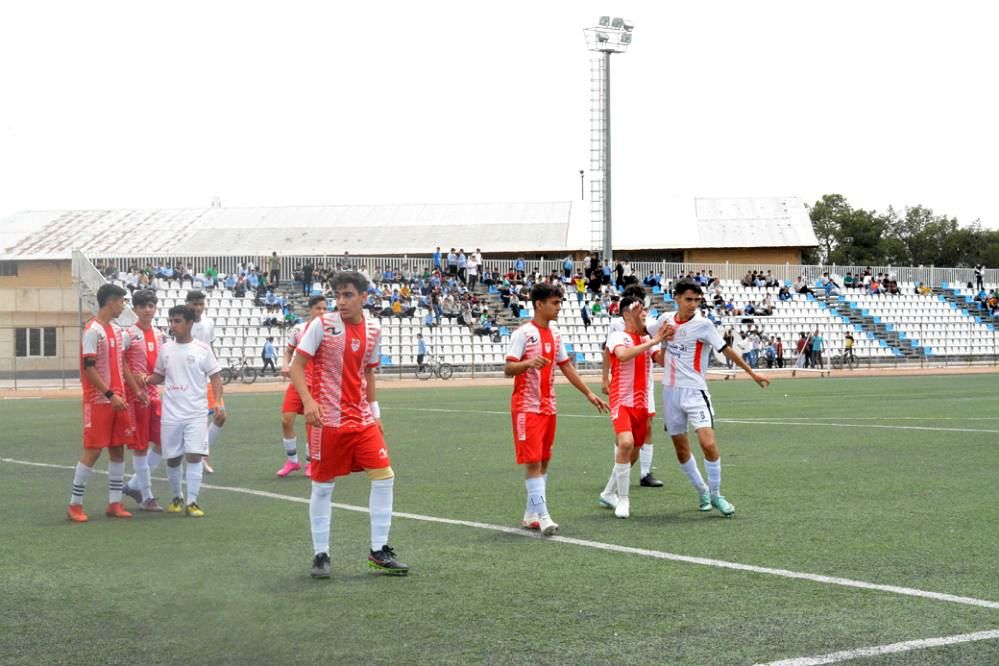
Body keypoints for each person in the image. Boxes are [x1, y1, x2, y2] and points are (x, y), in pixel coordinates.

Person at [289, 271, 409, 579]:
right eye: (338, 296)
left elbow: (368, 373)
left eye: (348, 295)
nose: (341, 302)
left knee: (384, 476)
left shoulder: (373, 329)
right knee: (323, 486)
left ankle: (379, 551)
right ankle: (321, 554)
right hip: (327, 421)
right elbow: (296, 366)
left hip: (362, 419)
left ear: (364, 297)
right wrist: (309, 402)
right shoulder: (323, 325)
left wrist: (375, 412)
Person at [658, 279, 770, 517]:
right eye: (688, 299)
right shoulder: (664, 320)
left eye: (697, 300)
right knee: (680, 448)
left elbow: (726, 349)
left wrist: (751, 373)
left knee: (708, 443)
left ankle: (717, 493)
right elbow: (645, 335)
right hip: (670, 391)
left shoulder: (704, 325)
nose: (693, 304)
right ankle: (702, 491)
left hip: (695, 392)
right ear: (676, 297)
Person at [504, 283, 609, 536]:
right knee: (532, 463)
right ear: (539, 304)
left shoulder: (556, 335)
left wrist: (589, 393)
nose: (559, 307)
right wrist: (529, 363)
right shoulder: (523, 334)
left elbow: (567, 367)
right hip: (526, 408)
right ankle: (544, 516)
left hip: (549, 407)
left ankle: (531, 515)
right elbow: (508, 369)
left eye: (560, 303)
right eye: (554, 303)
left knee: (545, 461)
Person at [67, 283, 140, 522]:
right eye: (122, 301)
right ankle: (75, 505)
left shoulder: (118, 331)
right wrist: (110, 394)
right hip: (99, 401)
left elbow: (123, 364)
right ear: (111, 301)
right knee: (93, 450)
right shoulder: (92, 330)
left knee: (118, 449)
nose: (123, 305)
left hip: (118, 399)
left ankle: (114, 503)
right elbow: (89, 368)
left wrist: (136, 390)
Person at [144, 305, 224, 517]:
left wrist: (217, 401)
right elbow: (159, 376)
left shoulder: (202, 349)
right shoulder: (166, 349)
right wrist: (143, 379)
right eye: (171, 321)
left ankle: (192, 502)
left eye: (177, 321)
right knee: (173, 458)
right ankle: (177, 496)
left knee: (195, 455)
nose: (173, 325)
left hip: (196, 412)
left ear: (189, 323)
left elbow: (215, 377)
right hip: (171, 413)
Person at [598, 296, 671, 519]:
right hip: (621, 400)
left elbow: (663, 360)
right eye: (637, 310)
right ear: (626, 315)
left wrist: (667, 341)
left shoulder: (649, 339)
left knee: (633, 451)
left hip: (641, 403)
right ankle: (623, 499)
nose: (643, 313)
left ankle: (608, 493)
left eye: (644, 310)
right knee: (626, 443)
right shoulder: (618, 336)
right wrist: (652, 340)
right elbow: (622, 355)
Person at [601, 285, 662, 489]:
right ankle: (619, 470)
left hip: (645, 384)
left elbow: (659, 354)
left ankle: (644, 472)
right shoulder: (617, 327)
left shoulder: (647, 328)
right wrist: (605, 378)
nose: (642, 312)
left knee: (646, 429)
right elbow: (610, 352)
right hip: (623, 385)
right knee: (624, 437)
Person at [120, 289, 166, 512]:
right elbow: (121, 362)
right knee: (139, 446)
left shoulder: (158, 334)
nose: (148, 310)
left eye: (151, 305)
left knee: (163, 441)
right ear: (135, 309)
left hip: (154, 393)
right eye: (143, 306)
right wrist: (135, 387)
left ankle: (132, 485)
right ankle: (147, 496)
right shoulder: (129, 333)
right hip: (135, 397)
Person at [275, 295, 328, 478]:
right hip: (298, 383)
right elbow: (289, 351)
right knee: (286, 420)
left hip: (318, 386)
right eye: (318, 308)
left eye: (324, 309)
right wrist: (285, 364)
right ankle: (292, 461)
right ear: (310, 310)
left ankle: (310, 463)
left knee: (312, 425)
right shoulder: (298, 330)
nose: (322, 312)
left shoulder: (329, 331)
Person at [187, 290, 225, 473]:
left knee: (220, 415)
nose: (198, 307)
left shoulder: (209, 323)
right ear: (188, 304)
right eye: (194, 304)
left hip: (207, 378)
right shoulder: (184, 324)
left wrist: (215, 372)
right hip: (191, 380)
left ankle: (200, 453)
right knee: (199, 421)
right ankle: (198, 457)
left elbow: (211, 348)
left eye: (200, 304)